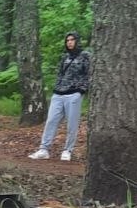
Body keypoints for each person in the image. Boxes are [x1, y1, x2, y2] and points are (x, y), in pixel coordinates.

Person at [29, 32, 91, 162]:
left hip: (74, 94)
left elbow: (88, 75)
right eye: (67, 40)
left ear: (77, 41)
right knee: (51, 121)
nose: (69, 42)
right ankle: (44, 149)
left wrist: (81, 90)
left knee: (71, 124)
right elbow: (60, 73)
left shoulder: (85, 56)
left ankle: (67, 150)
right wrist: (57, 87)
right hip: (58, 93)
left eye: (72, 39)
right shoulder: (64, 57)